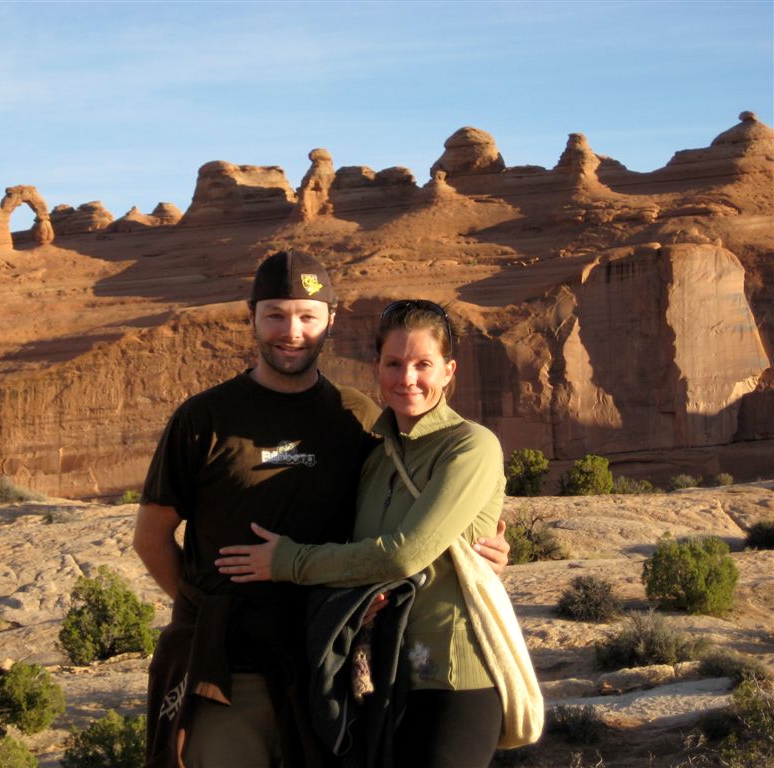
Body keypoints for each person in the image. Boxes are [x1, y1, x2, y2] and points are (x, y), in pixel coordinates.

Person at [134, 255, 509, 768]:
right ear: (252, 317)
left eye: (307, 316)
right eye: (275, 315)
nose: (291, 332)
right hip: (231, 669)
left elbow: (407, 527)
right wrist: (204, 616)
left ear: (330, 321)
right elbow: (150, 538)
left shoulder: (359, 419)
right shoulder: (203, 417)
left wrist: (473, 548)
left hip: (329, 663)